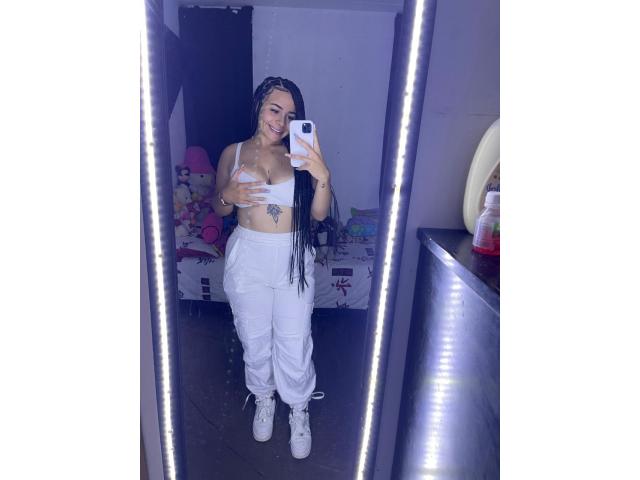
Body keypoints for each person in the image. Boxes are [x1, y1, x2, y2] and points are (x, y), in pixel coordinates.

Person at [213, 76, 332, 459]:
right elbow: (220, 208)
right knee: (254, 338)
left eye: (291, 116)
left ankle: (298, 408)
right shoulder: (232, 153)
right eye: (274, 110)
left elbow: (318, 214)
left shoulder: (301, 155)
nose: (281, 122)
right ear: (259, 107)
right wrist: (227, 195)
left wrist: (323, 176)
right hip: (249, 256)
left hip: (292, 257)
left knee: (295, 341)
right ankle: (264, 398)